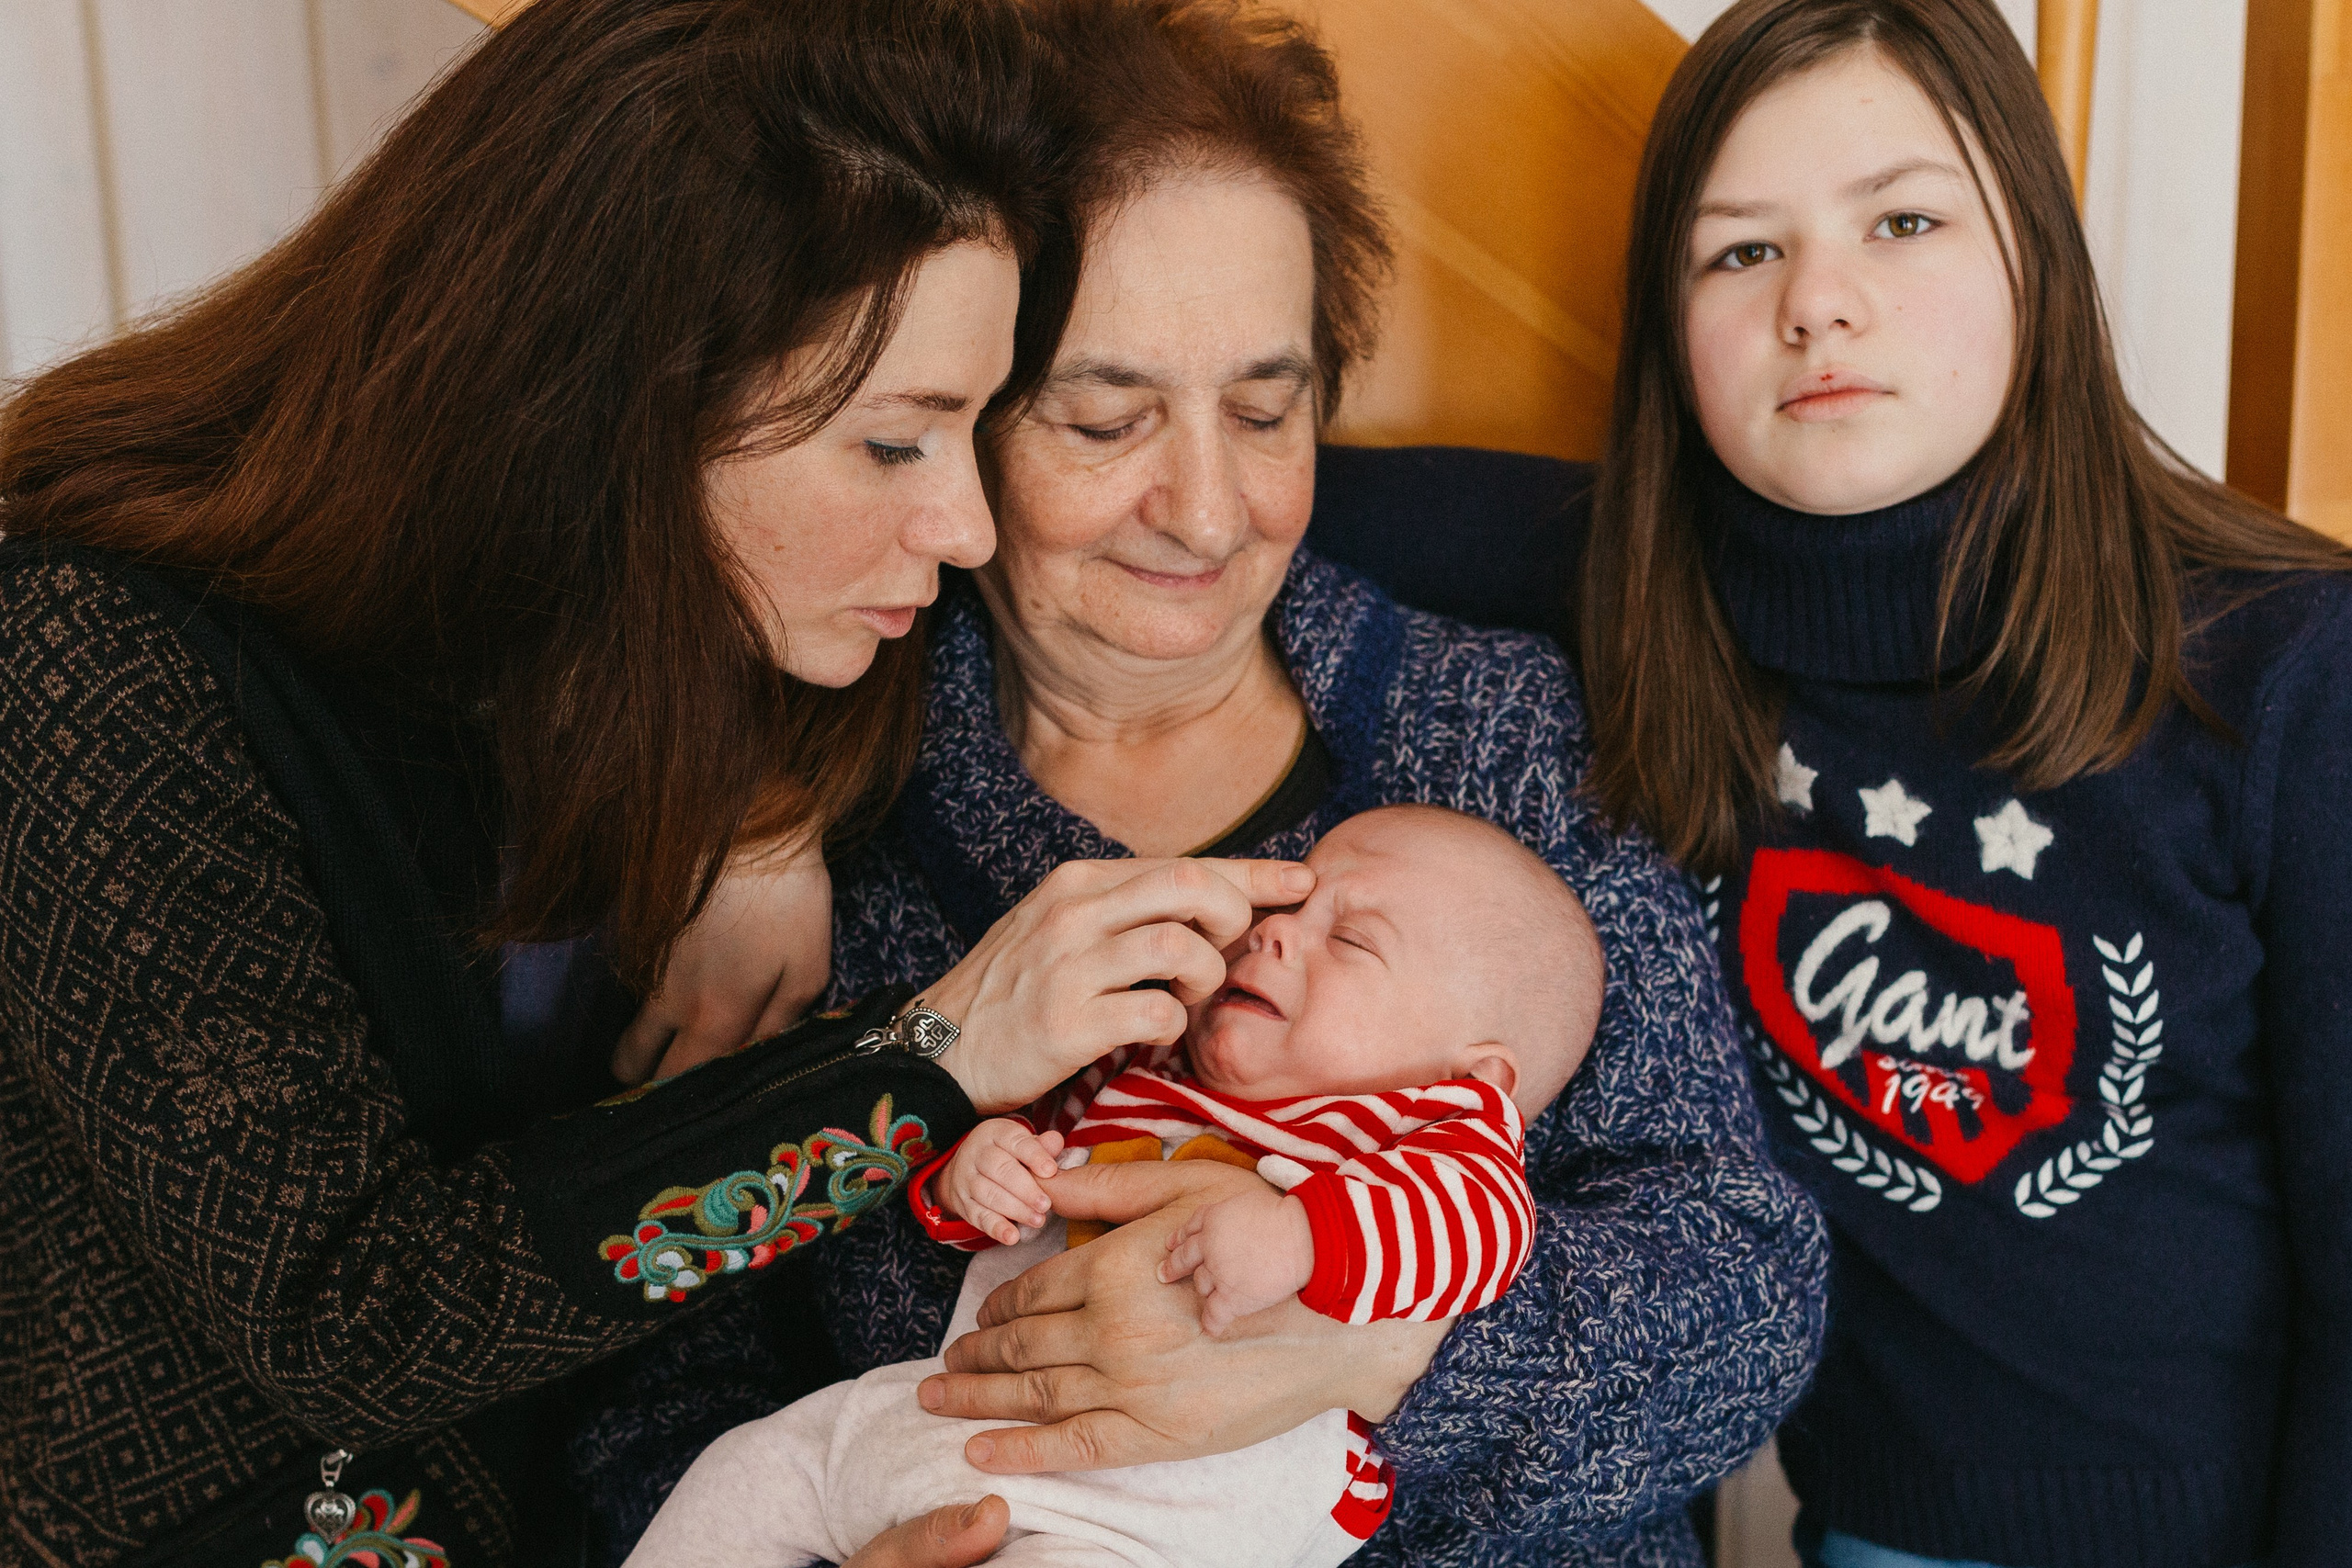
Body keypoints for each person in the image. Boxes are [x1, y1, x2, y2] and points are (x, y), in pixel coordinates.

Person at [0, 3, 1320, 1563]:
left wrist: (761, 803)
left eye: (977, 425)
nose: (968, 525)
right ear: (614, 405)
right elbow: (351, 1316)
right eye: (895, 444)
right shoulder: (89, 663)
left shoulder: (716, 628)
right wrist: (933, 1052)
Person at [579, 2, 1830, 1561]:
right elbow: (656, 1373)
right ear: (959, 417)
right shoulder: (821, 807)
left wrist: (1376, 1358)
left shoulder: (1495, 732)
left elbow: (1745, 1281)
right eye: (1104, 418)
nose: (1208, 508)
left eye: (1263, 409)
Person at [1315, 1, 2352, 1564]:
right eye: (1741, 251)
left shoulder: (2287, 670)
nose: (1819, 303)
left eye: (1904, 221)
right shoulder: (1633, 591)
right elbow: (1234, 481)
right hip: (1867, 1534)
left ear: (2035, 255)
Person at [626, 805, 1605, 1568]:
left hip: (1155, 1518)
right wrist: (977, 1169)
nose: (1274, 936)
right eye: (1285, 909)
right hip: (935, 1423)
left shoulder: (1430, 1130)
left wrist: (1302, 1238)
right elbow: (993, 1149)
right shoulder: (1140, 1065)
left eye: (1348, 941)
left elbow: (1486, 1229)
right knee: (746, 1471)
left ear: (1476, 1075)